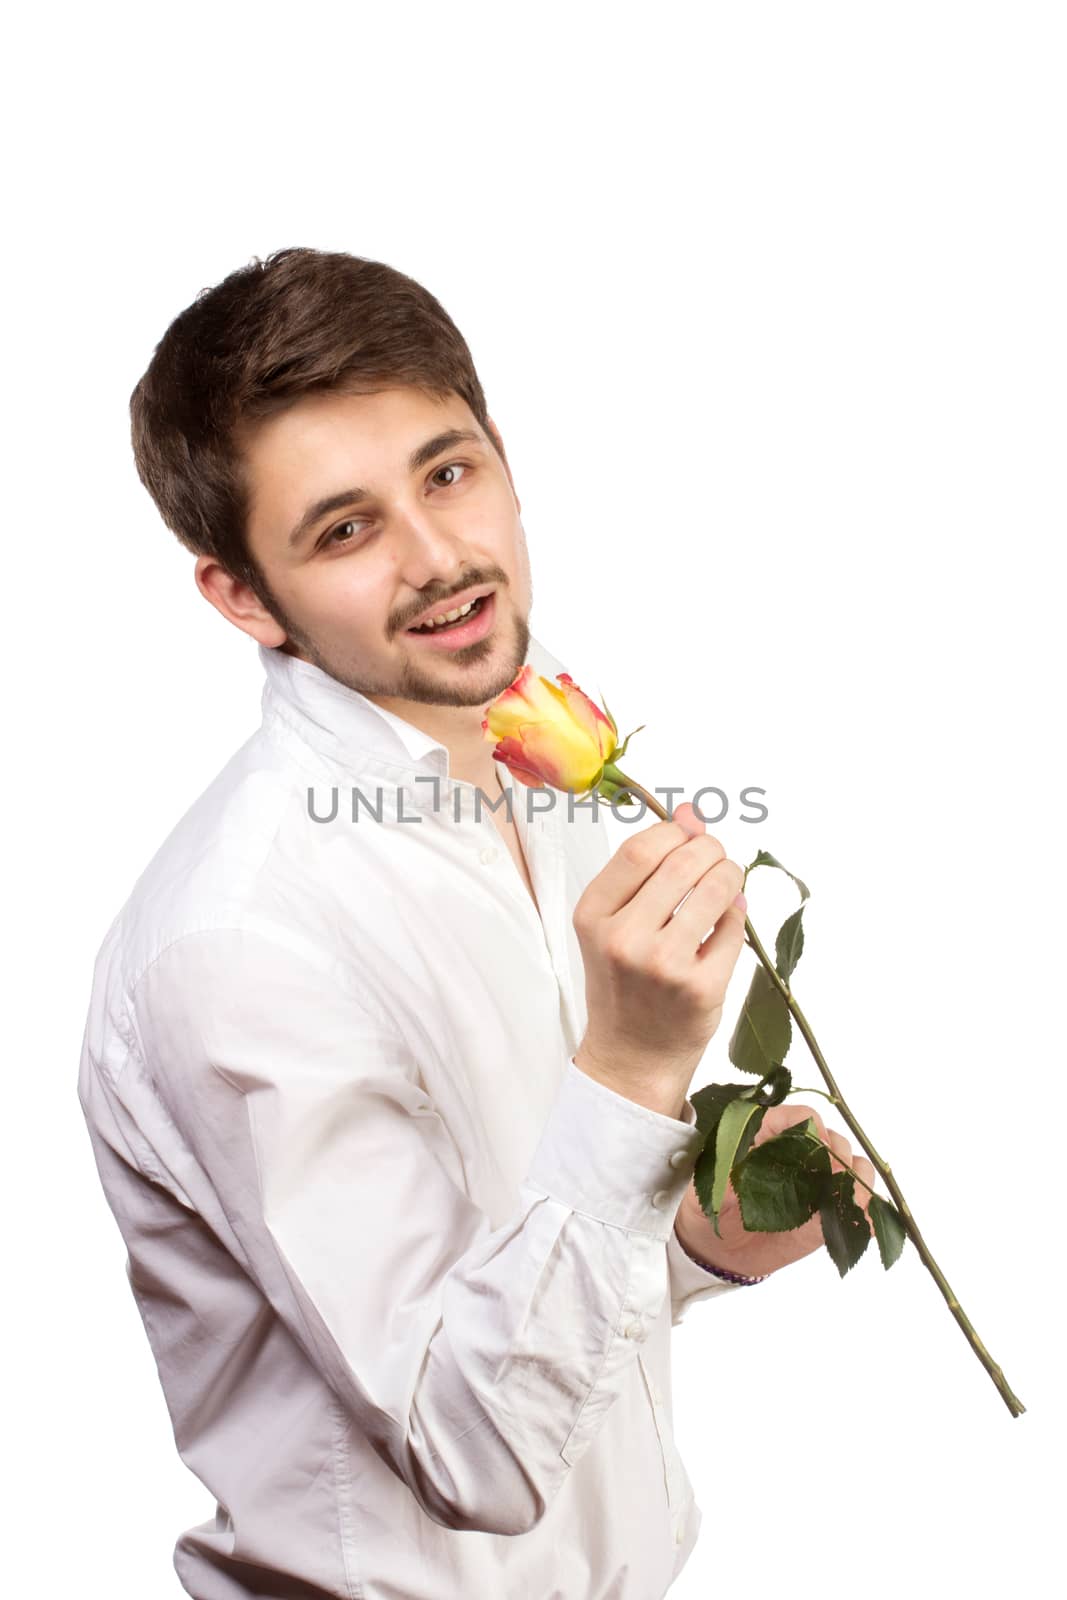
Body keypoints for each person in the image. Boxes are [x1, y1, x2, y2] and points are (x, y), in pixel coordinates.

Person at [77, 247, 874, 1600]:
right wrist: (631, 1068)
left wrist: (686, 1244)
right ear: (240, 596)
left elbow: (515, 1261)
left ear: (499, 448)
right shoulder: (238, 944)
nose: (443, 560)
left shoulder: (536, 733)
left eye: (447, 474)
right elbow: (475, 1450)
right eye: (345, 529)